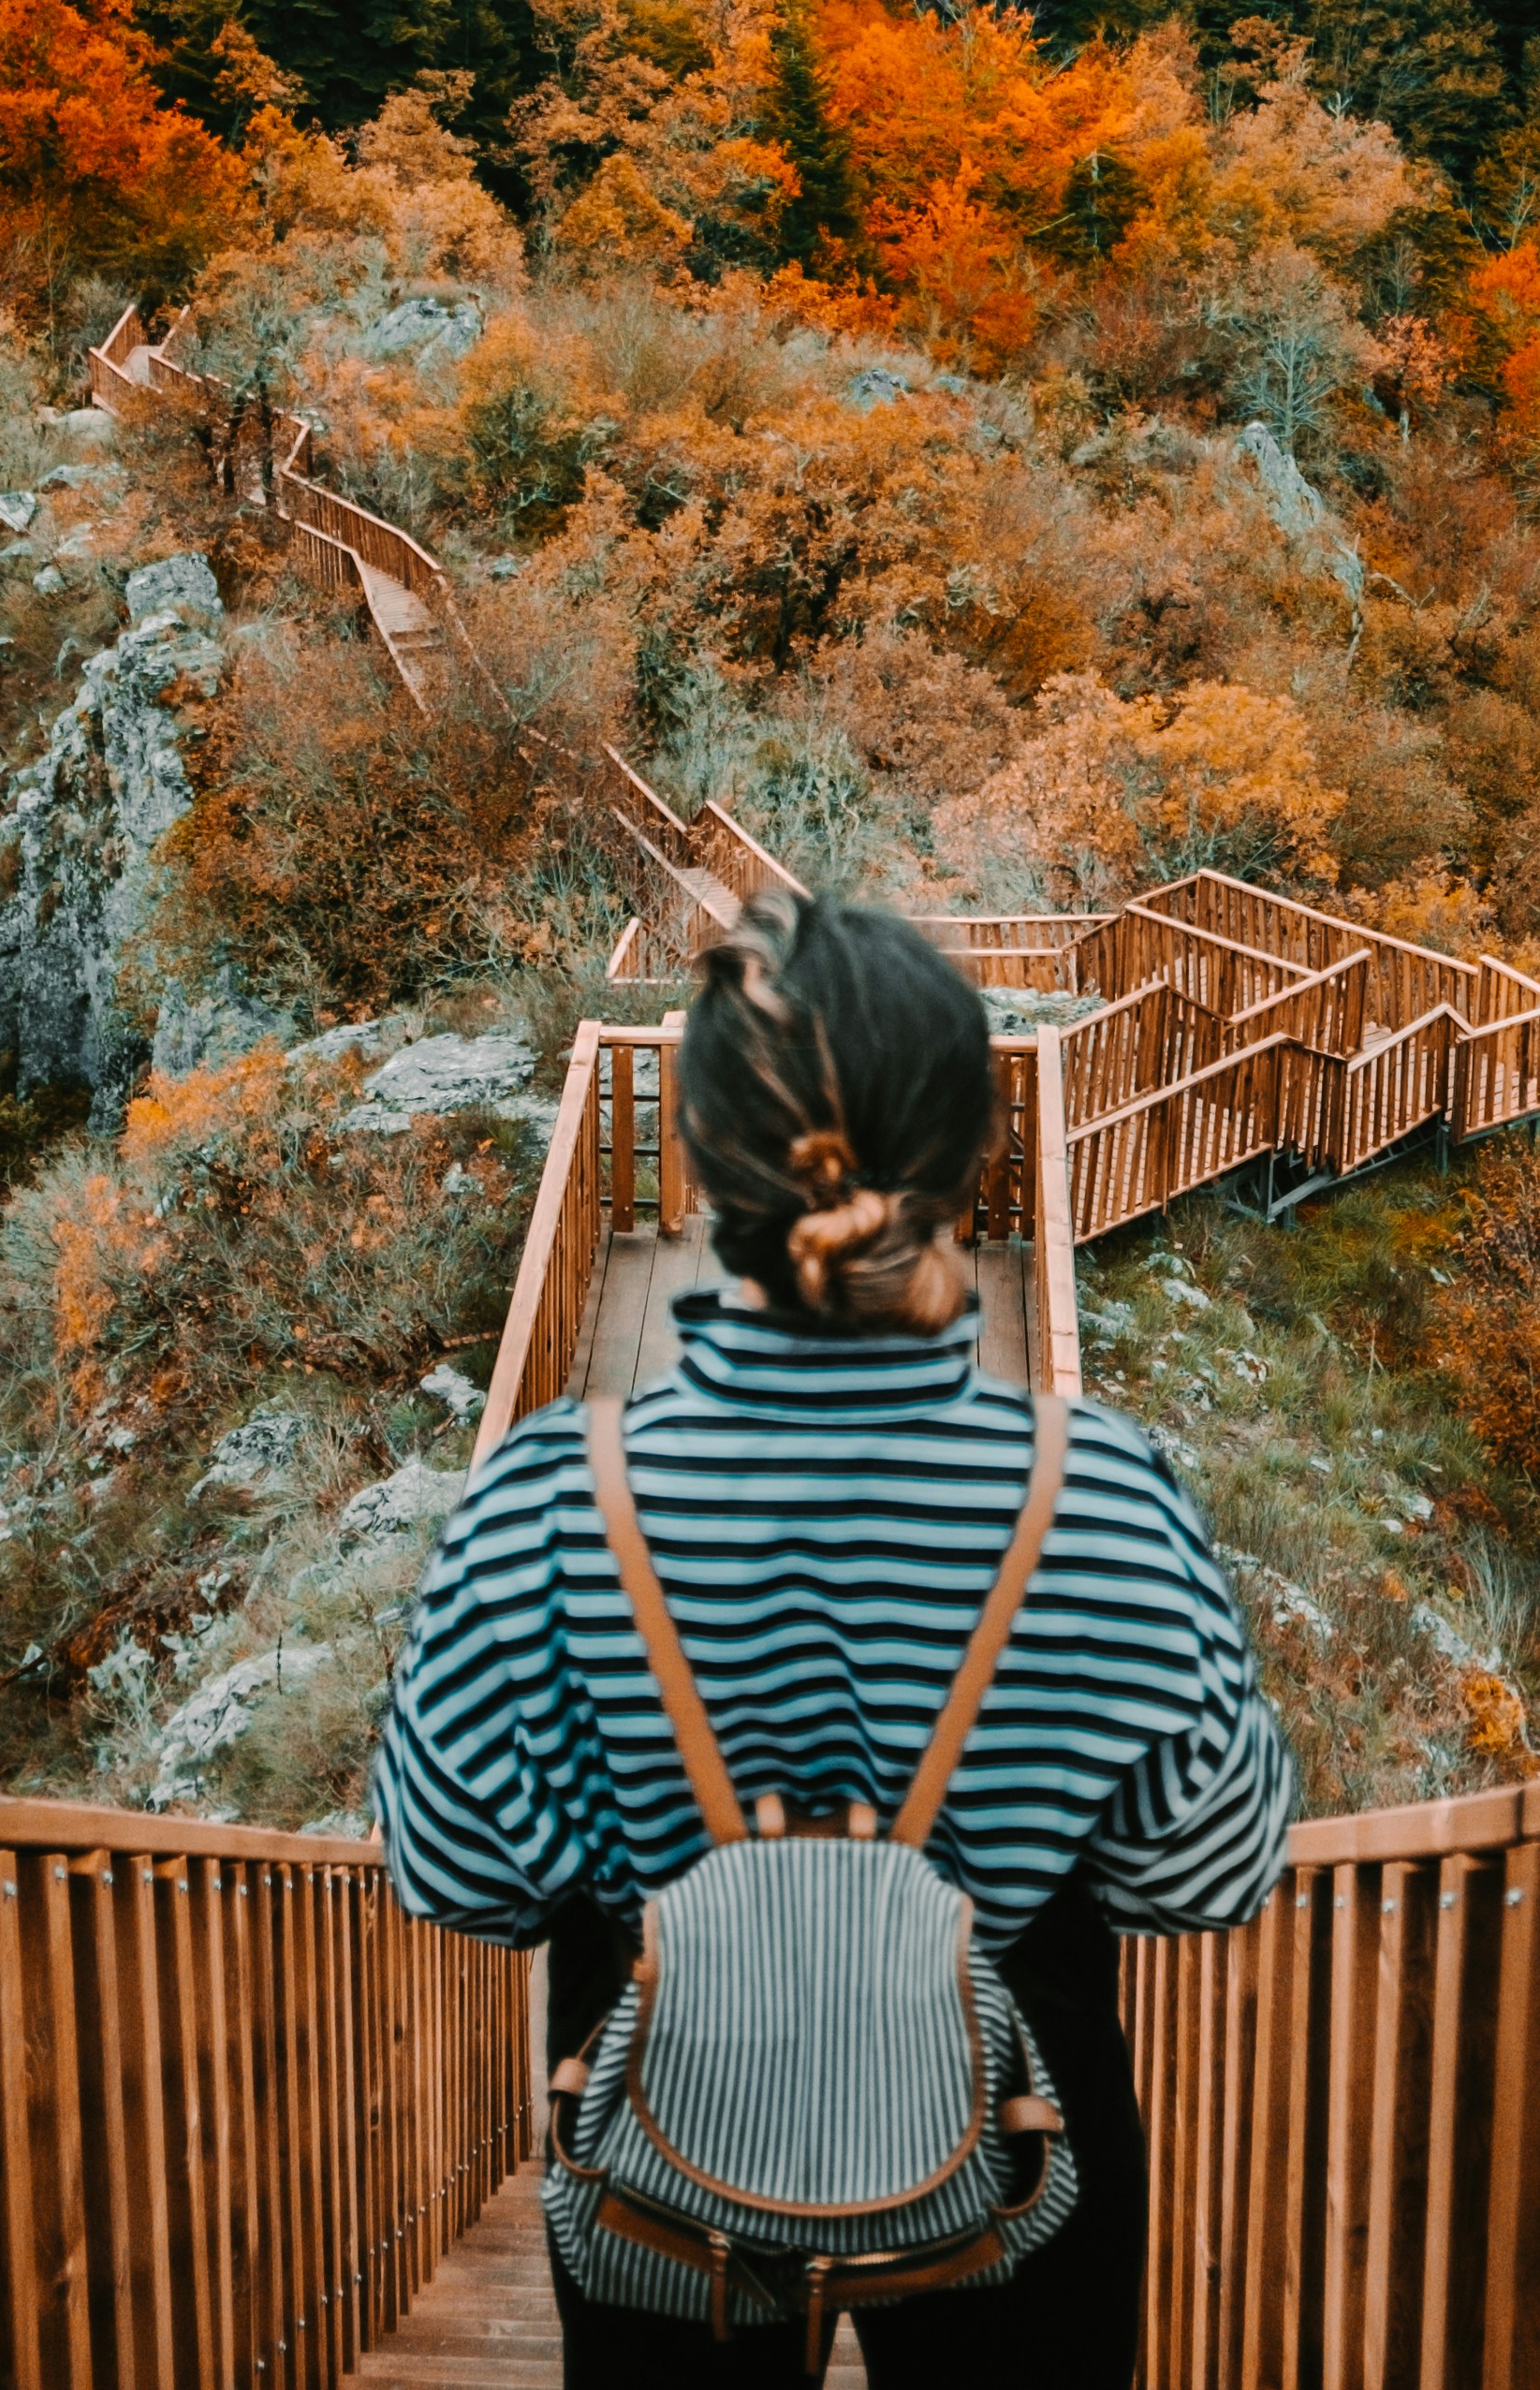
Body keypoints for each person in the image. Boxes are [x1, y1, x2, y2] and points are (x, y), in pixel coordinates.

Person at [373, 891, 1299, 2386]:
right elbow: (1210, 1871)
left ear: (701, 1164)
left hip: (672, 2170)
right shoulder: (1103, 1498)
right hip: (1012, 2153)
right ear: (969, 1158)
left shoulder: (546, 1506)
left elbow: (455, 1876)